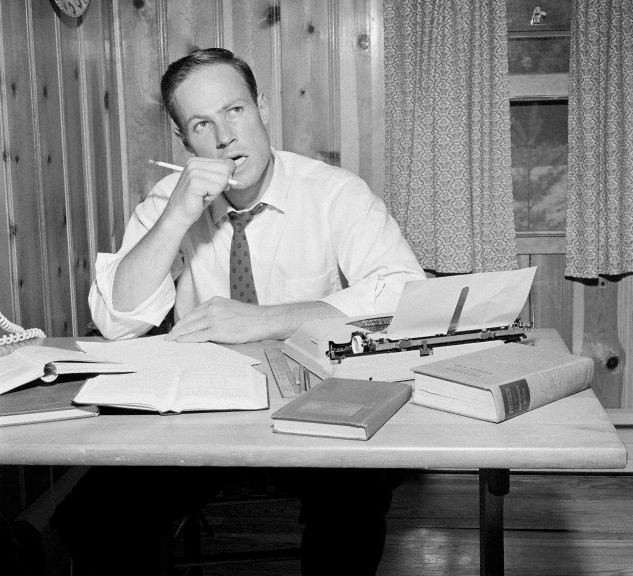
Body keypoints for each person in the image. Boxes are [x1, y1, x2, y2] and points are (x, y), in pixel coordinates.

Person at [52, 48, 426, 575]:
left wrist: (271, 319)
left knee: (352, 496)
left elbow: (404, 291)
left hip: (315, 401)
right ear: (184, 142)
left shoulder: (334, 193)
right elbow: (117, 319)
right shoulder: (170, 202)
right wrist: (178, 215)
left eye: (235, 111)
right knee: (95, 515)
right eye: (202, 124)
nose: (225, 136)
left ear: (264, 111)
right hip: (206, 415)